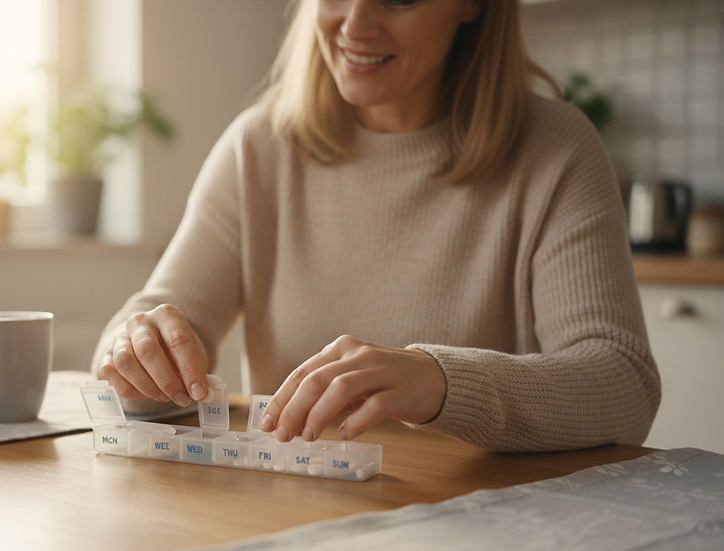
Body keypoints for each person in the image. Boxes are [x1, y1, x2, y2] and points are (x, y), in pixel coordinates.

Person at [92, 0, 661, 453]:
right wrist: (135, 350)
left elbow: (623, 382)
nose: (355, 25)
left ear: (473, 5)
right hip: (294, 518)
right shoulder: (258, 147)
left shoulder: (556, 149)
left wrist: (441, 381)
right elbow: (153, 318)